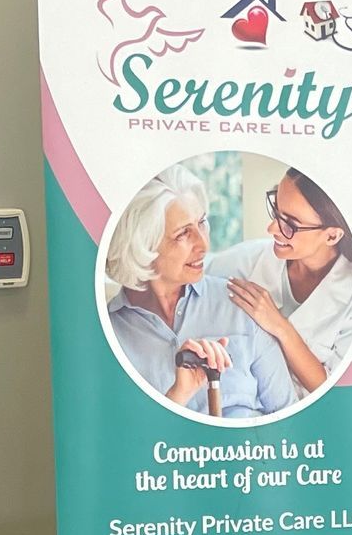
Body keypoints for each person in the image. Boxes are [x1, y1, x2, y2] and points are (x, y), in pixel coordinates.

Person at [105, 167, 294, 419]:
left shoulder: (241, 304)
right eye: (183, 233)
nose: (204, 244)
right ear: (142, 246)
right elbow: (121, 437)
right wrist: (177, 396)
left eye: (202, 223)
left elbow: (291, 418)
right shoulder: (109, 335)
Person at [209, 169, 352, 391]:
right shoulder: (245, 261)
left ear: (332, 235)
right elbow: (187, 278)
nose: (272, 228)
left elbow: (332, 389)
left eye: (290, 224)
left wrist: (280, 327)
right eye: (276, 210)